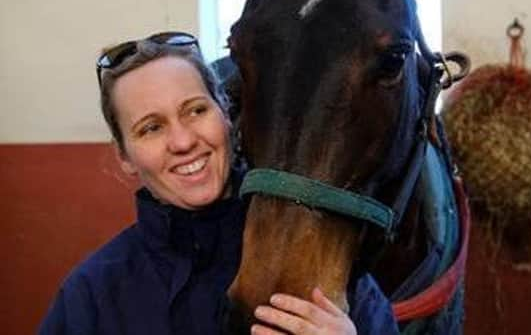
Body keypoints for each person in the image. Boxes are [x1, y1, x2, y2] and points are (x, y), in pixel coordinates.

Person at [39, 32, 399, 335]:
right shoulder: (92, 296)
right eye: (151, 128)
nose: (182, 142)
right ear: (125, 157)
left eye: (196, 110)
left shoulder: (316, 257)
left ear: (225, 112)